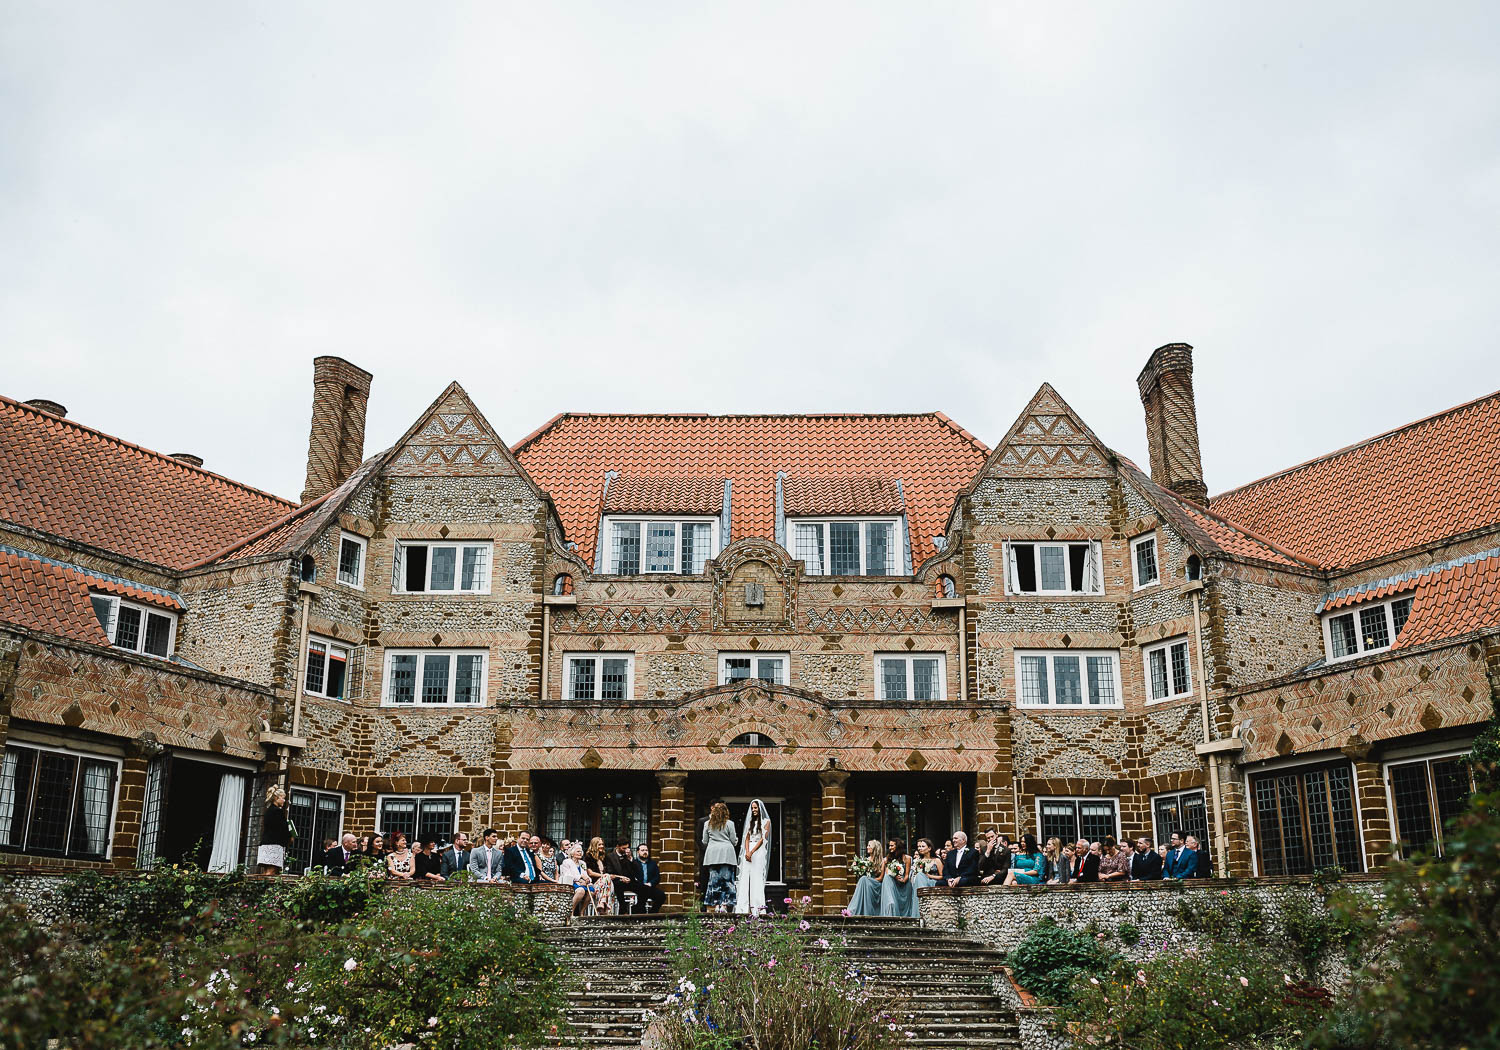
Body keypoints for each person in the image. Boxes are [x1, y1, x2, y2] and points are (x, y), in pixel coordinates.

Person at [735, 799, 771, 915]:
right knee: (745, 877)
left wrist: (752, 851)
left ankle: (757, 907)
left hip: (758, 851)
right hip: (748, 850)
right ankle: (744, 907)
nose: (753, 810)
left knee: (756, 877)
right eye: (752, 808)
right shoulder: (750, 821)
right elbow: (746, 837)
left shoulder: (766, 821)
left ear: (760, 808)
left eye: (755, 808)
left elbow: (763, 839)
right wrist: (747, 851)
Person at [701, 800, 738, 912]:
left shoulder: (707, 824)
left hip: (712, 854)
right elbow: (733, 840)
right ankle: (725, 905)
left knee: (714, 881)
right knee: (727, 881)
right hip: (727, 854)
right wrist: (736, 840)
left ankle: (716, 905)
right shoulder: (730, 824)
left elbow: (704, 840)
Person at [257, 785, 292, 875]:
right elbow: (282, 828)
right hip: (274, 845)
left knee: (266, 871)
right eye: (283, 798)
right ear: (276, 798)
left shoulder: (269, 810)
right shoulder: (277, 811)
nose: (284, 800)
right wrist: (290, 837)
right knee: (272, 871)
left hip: (265, 844)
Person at [880, 838, 917, 918]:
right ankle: (890, 908)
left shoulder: (907, 858)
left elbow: (907, 874)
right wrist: (894, 875)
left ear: (898, 846)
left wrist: (903, 880)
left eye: (892, 845)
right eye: (889, 846)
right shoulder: (888, 858)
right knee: (887, 878)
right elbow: (887, 872)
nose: (890, 848)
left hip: (904, 883)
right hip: (892, 882)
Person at [848, 839, 885, 915]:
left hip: (876, 884)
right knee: (863, 880)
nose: (867, 847)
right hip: (866, 883)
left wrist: (869, 880)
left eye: (869, 846)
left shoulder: (882, 861)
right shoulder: (866, 860)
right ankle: (853, 910)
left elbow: (881, 878)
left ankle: (852, 910)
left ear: (875, 848)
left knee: (864, 879)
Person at [584, 837, 617, 915]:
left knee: (609, 880)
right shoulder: (588, 856)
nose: (602, 846)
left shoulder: (604, 857)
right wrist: (604, 876)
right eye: (599, 844)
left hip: (606, 884)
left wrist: (612, 876)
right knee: (606, 877)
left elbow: (608, 872)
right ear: (594, 845)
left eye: (602, 844)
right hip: (595, 884)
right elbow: (590, 873)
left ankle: (602, 905)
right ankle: (605, 906)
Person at [630, 843, 667, 913]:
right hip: (637, 886)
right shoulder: (634, 863)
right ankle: (640, 910)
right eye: (642, 850)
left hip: (649, 887)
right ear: (638, 852)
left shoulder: (653, 863)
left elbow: (657, 877)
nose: (645, 852)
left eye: (646, 850)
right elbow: (631, 876)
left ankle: (652, 913)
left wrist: (650, 883)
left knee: (662, 896)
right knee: (644, 890)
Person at [560, 842, 591, 916]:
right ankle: (571, 911)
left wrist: (587, 880)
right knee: (581, 891)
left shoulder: (582, 863)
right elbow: (568, 875)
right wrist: (580, 879)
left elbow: (585, 874)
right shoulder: (566, 862)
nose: (580, 853)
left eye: (581, 851)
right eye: (578, 851)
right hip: (571, 883)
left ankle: (582, 911)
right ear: (572, 853)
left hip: (582, 883)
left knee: (592, 890)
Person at [605, 838, 637, 909]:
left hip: (629, 881)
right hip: (617, 881)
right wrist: (621, 878)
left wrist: (630, 858)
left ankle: (637, 910)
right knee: (619, 886)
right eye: (623, 848)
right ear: (617, 847)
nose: (626, 850)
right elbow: (610, 872)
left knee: (642, 888)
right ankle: (623, 910)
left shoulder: (628, 855)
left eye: (627, 848)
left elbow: (635, 870)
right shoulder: (610, 856)